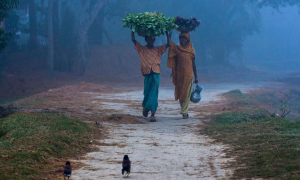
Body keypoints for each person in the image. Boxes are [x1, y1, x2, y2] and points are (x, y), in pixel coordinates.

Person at [131, 31, 170, 122]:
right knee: (147, 92)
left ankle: (153, 113)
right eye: (149, 39)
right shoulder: (142, 49)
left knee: (154, 92)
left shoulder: (158, 49)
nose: (151, 41)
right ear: (146, 40)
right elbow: (133, 39)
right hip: (147, 73)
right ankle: (145, 108)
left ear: (154, 40)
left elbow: (168, 44)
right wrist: (132, 30)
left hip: (156, 73)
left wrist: (168, 33)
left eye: (152, 39)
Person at [167, 32, 198, 119]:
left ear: (188, 40)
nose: (182, 40)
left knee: (187, 93)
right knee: (181, 93)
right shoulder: (177, 49)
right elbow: (170, 44)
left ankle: (184, 112)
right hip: (179, 75)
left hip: (189, 75)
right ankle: (184, 110)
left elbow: (194, 65)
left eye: (184, 38)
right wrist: (168, 34)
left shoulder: (191, 51)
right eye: (181, 38)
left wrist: (196, 76)